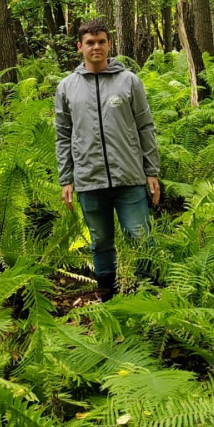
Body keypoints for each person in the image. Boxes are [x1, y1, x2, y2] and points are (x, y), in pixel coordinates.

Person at [54, 19, 160, 301]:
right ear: (80, 47)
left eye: (101, 41)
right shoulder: (67, 87)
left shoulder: (129, 82)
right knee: (100, 242)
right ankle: (108, 300)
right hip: (89, 180)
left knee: (141, 238)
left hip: (130, 178)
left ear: (109, 44)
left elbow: (145, 126)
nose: (96, 47)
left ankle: (147, 300)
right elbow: (63, 135)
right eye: (90, 42)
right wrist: (66, 178)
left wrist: (151, 171)